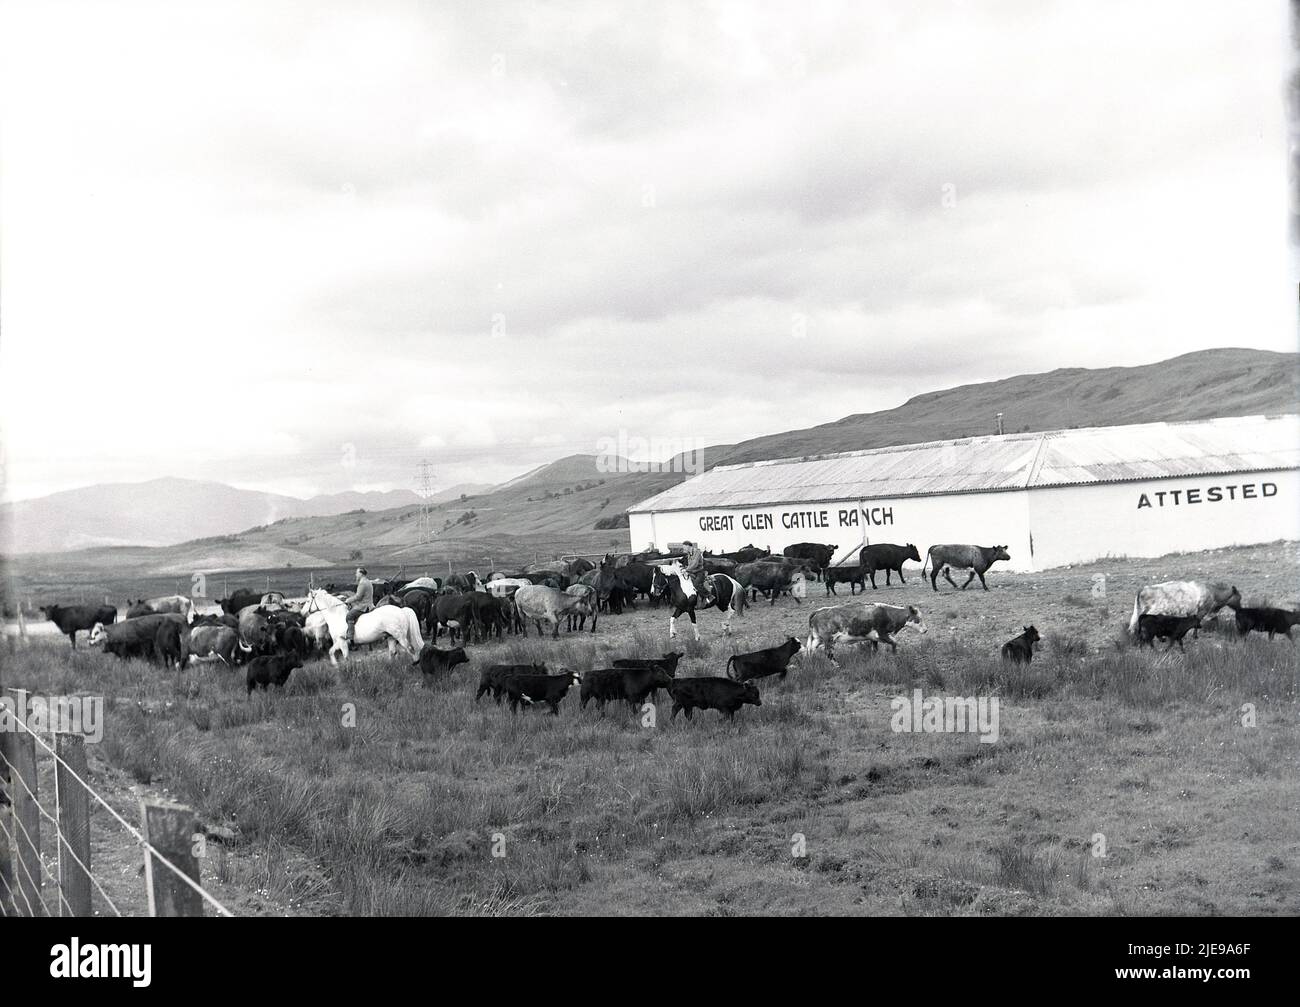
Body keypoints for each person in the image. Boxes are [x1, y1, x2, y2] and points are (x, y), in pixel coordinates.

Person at [342, 567, 374, 643]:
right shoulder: (368, 581)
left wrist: (348, 600)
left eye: (356, 573)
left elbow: (358, 596)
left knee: (349, 615)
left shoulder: (362, 583)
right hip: (370, 604)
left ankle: (350, 639)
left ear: (361, 574)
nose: (355, 575)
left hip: (364, 606)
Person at [680, 541, 713, 605]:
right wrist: (684, 569)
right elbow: (690, 564)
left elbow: (695, 564)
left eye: (684, 548)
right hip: (692, 571)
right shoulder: (689, 554)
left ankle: (709, 596)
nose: (684, 549)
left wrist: (686, 569)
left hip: (699, 572)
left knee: (696, 584)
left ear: (688, 546)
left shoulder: (697, 552)